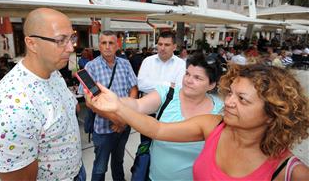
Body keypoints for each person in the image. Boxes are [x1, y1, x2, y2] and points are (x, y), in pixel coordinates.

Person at [89, 64, 309, 180]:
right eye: (230, 93)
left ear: (273, 113)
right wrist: (117, 106)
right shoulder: (213, 125)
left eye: (242, 99)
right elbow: (157, 128)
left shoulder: (291, 172)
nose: (229, 102)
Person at [0, 8, 85, 181]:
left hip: (76, 171)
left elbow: (71, 107)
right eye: (60, 40)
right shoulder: (10, 109)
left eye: (71, 38)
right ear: (32, 43)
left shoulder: (53, 71)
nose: (71, 47)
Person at [102, 52, 223, 180]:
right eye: (187, 73)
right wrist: (114, 101)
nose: (188, 80)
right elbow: (137, 105)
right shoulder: (168, 94)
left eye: (197, 78)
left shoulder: (220, 111)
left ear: (211, 85)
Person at [79, 30, 138, 181]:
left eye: (111, 43)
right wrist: (118, 120)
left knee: (118, 162)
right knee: (100, 167)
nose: (107, 46)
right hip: (103, 129)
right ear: (99, 45)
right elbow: (90, 103)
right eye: (103, 43)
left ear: (117, 45)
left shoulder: (124, 64)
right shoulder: (91, 67)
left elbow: (133, 89)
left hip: (123, 127)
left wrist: (124, 120)